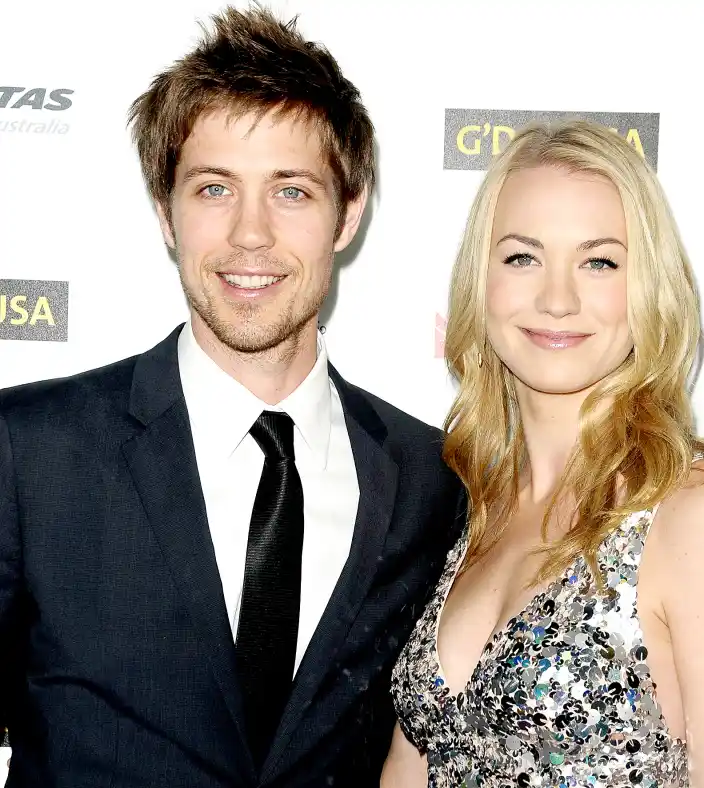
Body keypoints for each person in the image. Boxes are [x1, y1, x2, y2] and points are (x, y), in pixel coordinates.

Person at [0, 5, 464, 787]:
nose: (251, 233)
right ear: (165, 213)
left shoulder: (432, 479)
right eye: (215, 189)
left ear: (348, 214)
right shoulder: (27, 452)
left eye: (291, 192)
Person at [382, 120, 704, 787]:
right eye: (522, 257)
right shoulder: (472, 506)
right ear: (480, 283)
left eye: (599, 261)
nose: (557, 298)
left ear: (647, 289)